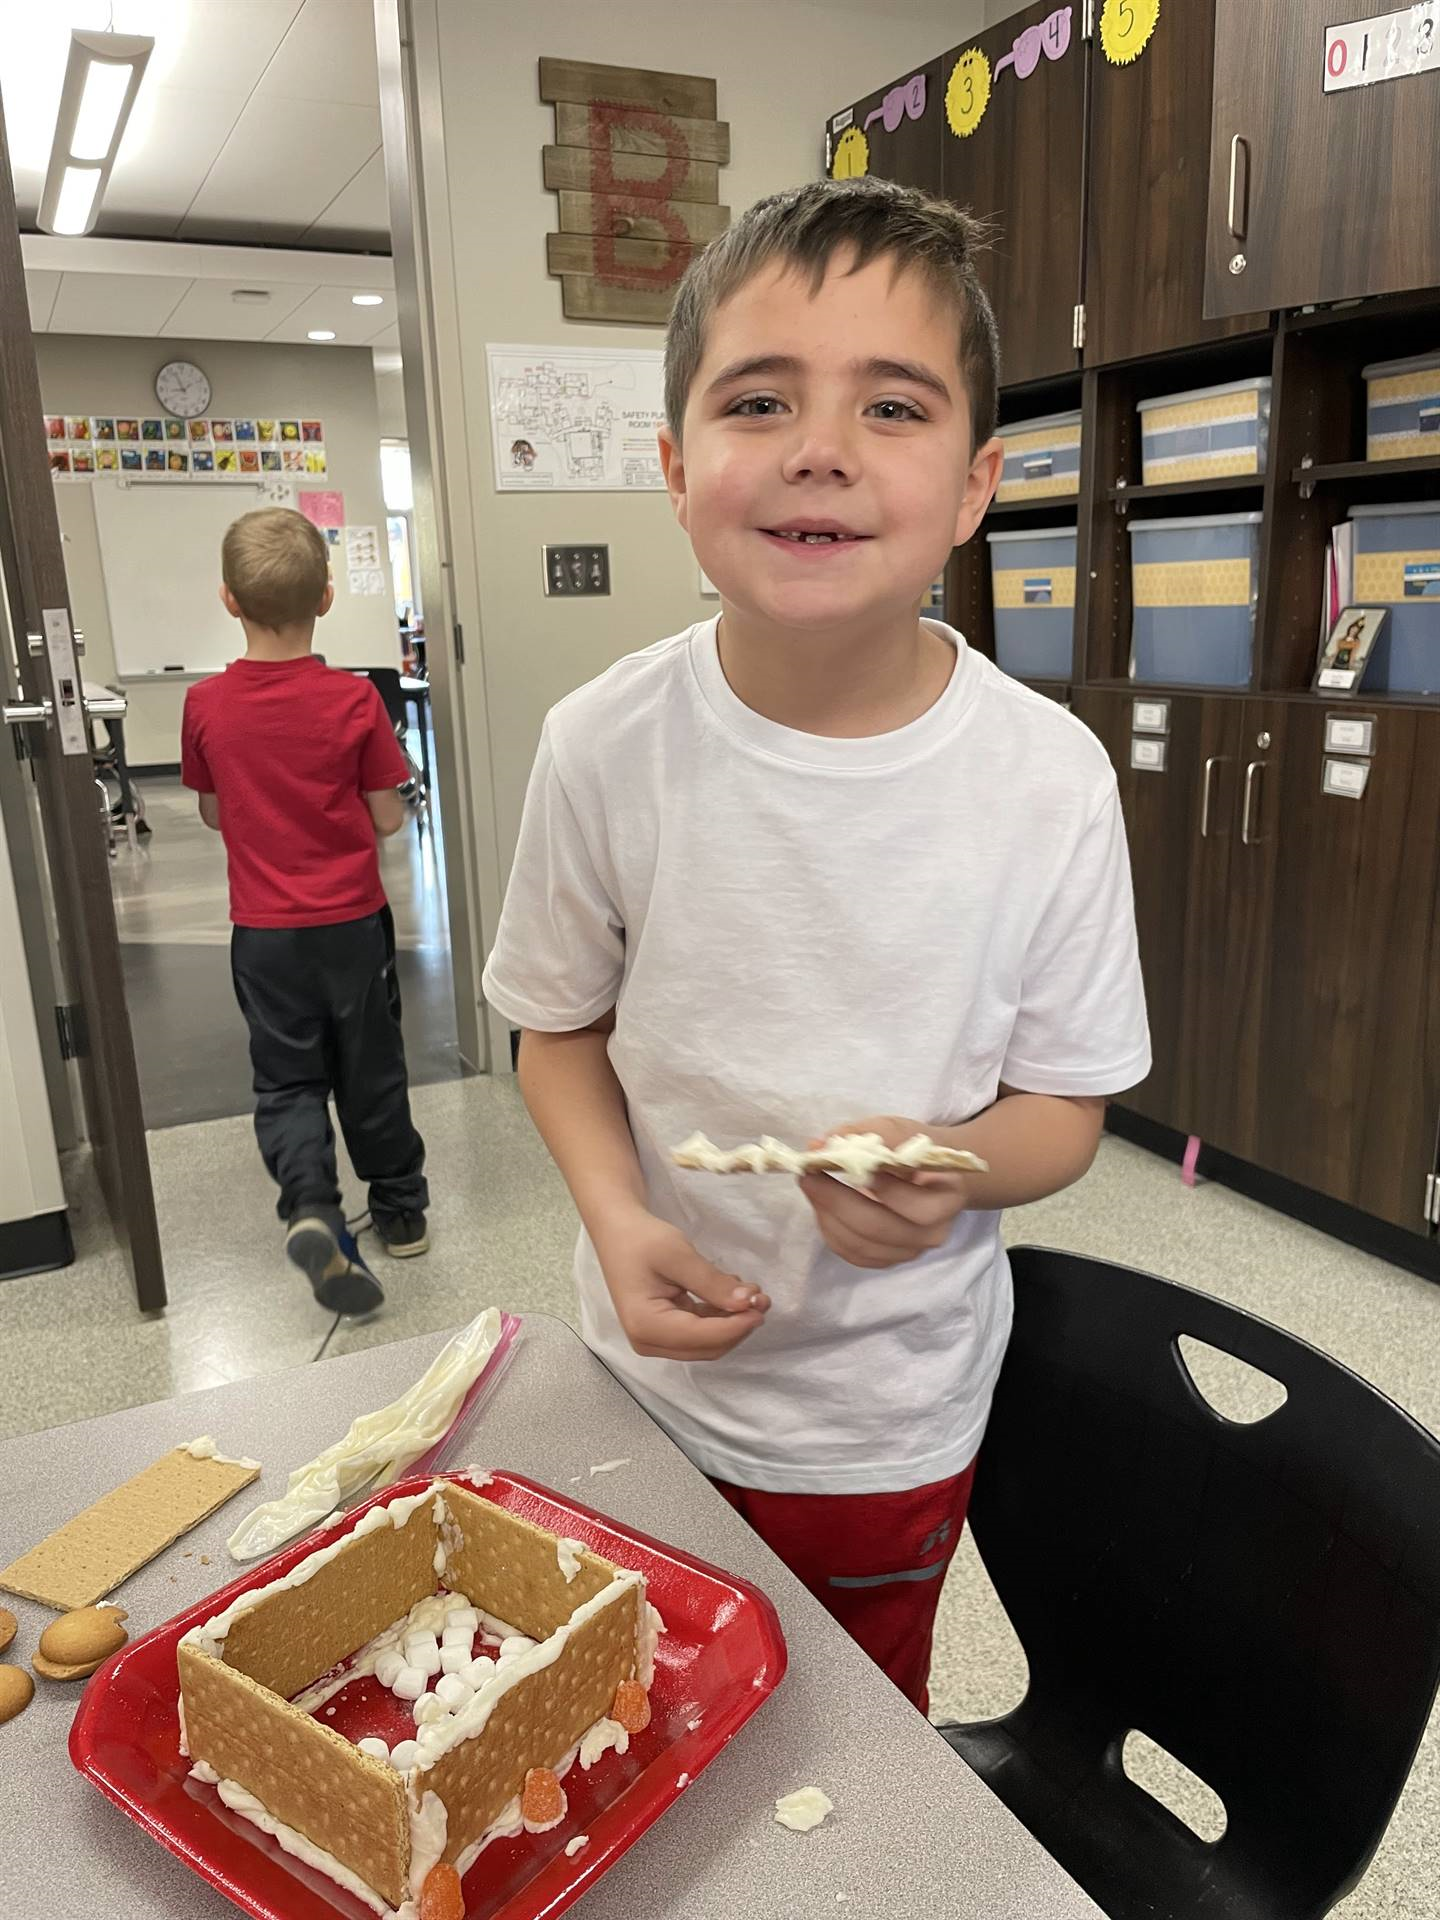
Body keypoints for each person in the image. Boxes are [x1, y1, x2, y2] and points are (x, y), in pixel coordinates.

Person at [482, 178, 1150, 1712]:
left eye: (894, 406)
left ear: (977, 486)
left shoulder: (1047, 780)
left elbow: (1065, 1111)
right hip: (639, 1383)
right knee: (617, 1712)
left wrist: (957, 1163)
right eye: (760, 398)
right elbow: (558, 1033)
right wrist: (614, 1215)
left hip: (885, 1413)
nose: (821, 447)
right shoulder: (604, 747)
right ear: (675, 467)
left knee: (844, 1744)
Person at [182, 508, 430, 1316]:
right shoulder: (355, 701)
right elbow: (390, 818)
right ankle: (400, 1210)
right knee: (371, 1068)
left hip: (263, 935)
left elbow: (217, 815)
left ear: (229, 600)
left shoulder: (206, 706)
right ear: (326, 597)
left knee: (286, 1079)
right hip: (351, 926)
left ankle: (313, 1208)